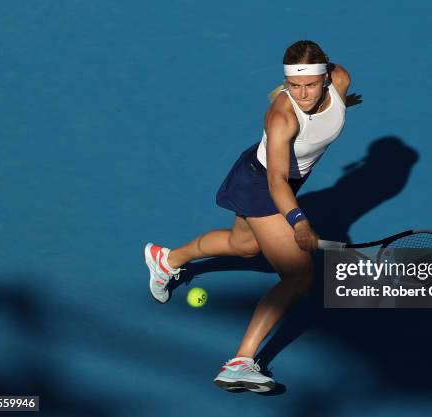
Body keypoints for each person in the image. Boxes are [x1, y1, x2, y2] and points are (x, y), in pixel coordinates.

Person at [144, 40, 351, 392]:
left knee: (242, 246)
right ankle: (240, 363)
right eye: (294, 86)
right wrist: (299, 221)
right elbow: (276, 183)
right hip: (264, 184)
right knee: (298, 276)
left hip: (281, 179)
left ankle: (166, 259)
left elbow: (325, 114)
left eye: (310, 85)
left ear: (325, 77)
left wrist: (340, 109)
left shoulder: (341, 81)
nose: (302, 94)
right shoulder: (282, 116)